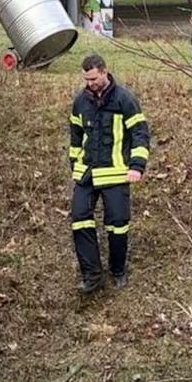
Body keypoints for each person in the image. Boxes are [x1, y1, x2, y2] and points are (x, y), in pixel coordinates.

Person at [68, 53, 149, 294]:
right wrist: (74, 163)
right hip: (86, 174)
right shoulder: (80, 101)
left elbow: (140, 133)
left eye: (93, 78)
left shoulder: (125, 99)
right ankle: (92, 275)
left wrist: (136, 166)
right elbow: (75, 135)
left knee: (118, 225)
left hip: (115, 174)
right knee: (79, 219)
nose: (89, 83)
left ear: (104, 72)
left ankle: (117, 270)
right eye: (86, 79)